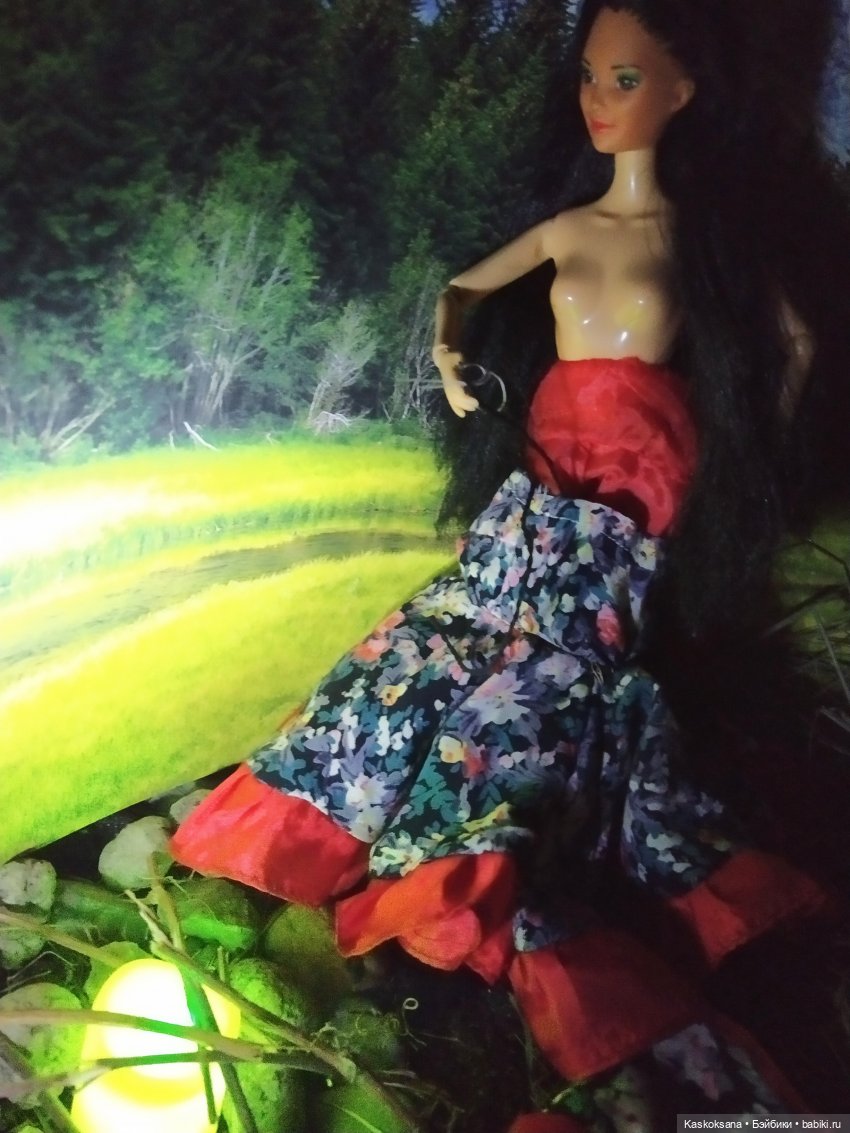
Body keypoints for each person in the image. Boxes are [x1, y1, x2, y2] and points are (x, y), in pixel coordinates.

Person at [172, 1, 850, 1125]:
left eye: (625, 78)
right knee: (454, 627)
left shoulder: (699, 238)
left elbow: (792, 337)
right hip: (552, 447)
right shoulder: (572, 225)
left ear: (684, 93)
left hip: (641, 465)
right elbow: (463, 287)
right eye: (589, 76)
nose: (598, 100)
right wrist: (447, 357)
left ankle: (502, 810)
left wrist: (756, 440)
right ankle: (378, 796)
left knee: (567, 663)